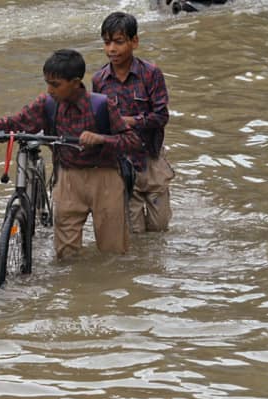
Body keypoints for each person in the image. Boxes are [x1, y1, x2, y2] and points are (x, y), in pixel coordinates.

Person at [0, 49, 141, 258]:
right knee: (65, 254)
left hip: (105, 179)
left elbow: (132, 141)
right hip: (68, 180)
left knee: (114, 253)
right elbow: (14, 123)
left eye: (56, 84)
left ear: (76, 82)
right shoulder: (47, 104)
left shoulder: (102, 105)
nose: (49, 89)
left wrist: (101, 139)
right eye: (47, 83)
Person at [92, 11, 174, 233]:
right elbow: (99, 123)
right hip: (121, 163)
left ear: (134, 41)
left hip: (151, 158)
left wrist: (129, 121)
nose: (111, 49)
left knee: (159, 226)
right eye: (107, 43)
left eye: (118, 42)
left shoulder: (151, 74)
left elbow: (161, 116)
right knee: (134, 232)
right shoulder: (99, 80)